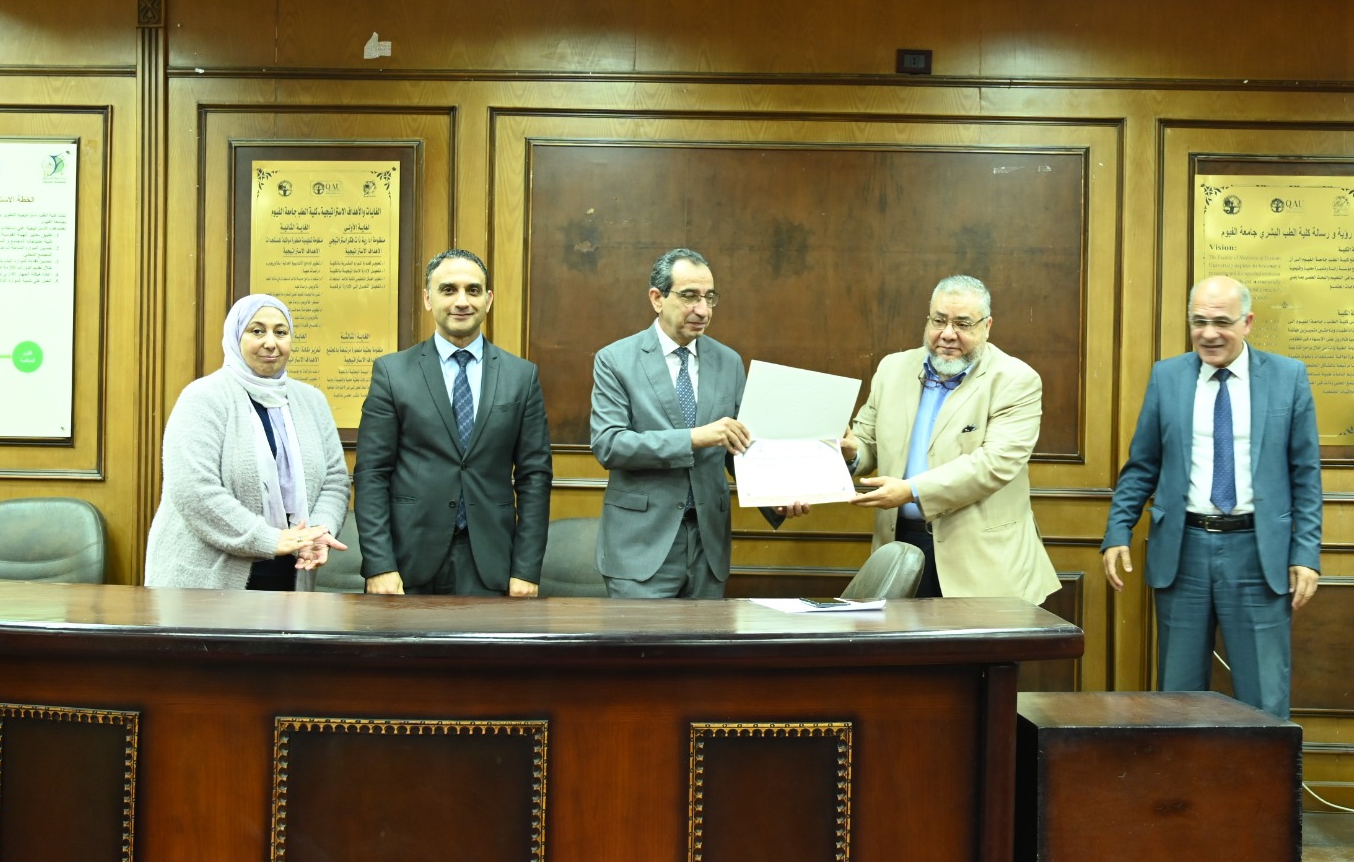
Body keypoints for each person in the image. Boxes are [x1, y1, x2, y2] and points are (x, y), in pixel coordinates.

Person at [1102, 275, 1322, 718]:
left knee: (1264, 700)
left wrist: (1306, 554)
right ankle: (1184, 768)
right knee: (1177, 698)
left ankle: (1263, 768)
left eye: (1221, 322)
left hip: (1258, 555)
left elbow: (1306, 475)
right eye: (1198, 321)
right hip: (1183, 552)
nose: (1208, 333)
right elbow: (1142, 464)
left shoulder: (1287, 377)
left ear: (1247, 323)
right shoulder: (1167, 377)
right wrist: (1117, 530)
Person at [590, 247, 801, 599]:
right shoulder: (616, 360)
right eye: (689, 296)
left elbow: (739, 448)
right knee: (640, 639)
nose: (703, 310)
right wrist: (694, 438)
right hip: (641, 547)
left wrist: (774, 496)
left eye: (709, 297)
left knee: (706, 638)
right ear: (657, 298)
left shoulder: (729, 362)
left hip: (708, 546)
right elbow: (609, 445)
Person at [841, 274, 1059, 604]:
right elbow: (868, 442)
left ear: (987, 326)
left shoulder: (1016, 380)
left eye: (962, 324)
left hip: (983, 563)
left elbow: (995, 465)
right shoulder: (892, 369)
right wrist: (851, 452)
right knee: (898, 641)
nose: (947, 334)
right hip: (901, 550)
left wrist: (912, 490)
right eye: (939, 320)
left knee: (975, 643)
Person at [354, 249, 552, 596]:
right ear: (428, 299)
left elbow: (535, 477)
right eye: (448, 290)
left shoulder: (521, 376)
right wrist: (380, 564)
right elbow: (372, 474)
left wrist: (526, 570)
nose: (462, 301)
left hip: (492, 563)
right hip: (407, 562)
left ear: (488, 299)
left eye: (473, 290)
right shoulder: (392, 373)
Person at [146, 294, 349, 590]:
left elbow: (334, 481)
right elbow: (193, 489)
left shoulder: (312, 401)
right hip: (206, 582)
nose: (271, 343)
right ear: (234, 336)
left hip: (292, 574)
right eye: (257, 331)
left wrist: (317, 531)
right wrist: (270, 539)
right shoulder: (203, 397)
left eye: (281, 332)